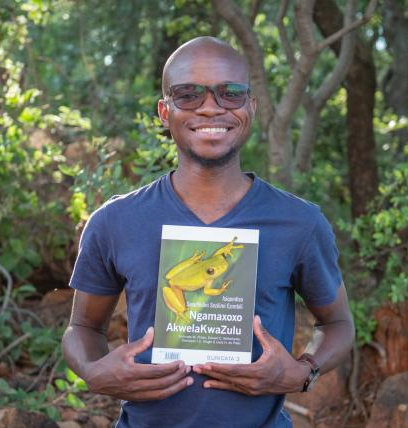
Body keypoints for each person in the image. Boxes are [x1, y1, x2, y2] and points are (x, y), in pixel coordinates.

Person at [62, 36, 355, 428]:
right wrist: (94, 372)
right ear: (165, 112)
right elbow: (82, 327)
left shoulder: (299, 223)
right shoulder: (114, 221)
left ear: (251, 106)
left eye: (230, 93)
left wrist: (303, 370)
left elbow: (337, 324)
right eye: (188, 94)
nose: (211, 107)